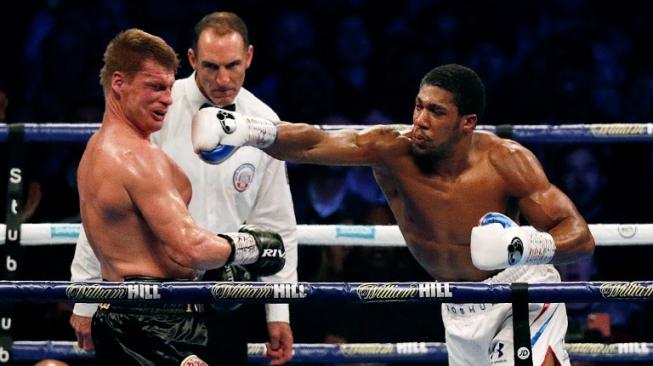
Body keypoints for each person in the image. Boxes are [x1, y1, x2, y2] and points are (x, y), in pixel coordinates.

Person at [192, 63, 596, 366]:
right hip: (458, 304)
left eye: (436, 112)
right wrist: (249, 131)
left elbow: (580, 237)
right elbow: (315, 143)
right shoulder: (392, 150)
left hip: (518, 290)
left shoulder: (507, 161)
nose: (419, 120)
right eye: (419, 106)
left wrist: (523, 246)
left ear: (467, 123)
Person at [70, 12, 298, 365]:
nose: (223, 79)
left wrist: (278, 309)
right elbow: (108, 223)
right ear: (192, 60)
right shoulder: (149, 125)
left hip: (218, 296)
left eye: (233, 65)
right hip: (158, 307)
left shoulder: (262, 122)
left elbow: (277, 219)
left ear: (249, 58)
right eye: (211, 67)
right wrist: (248, 247)